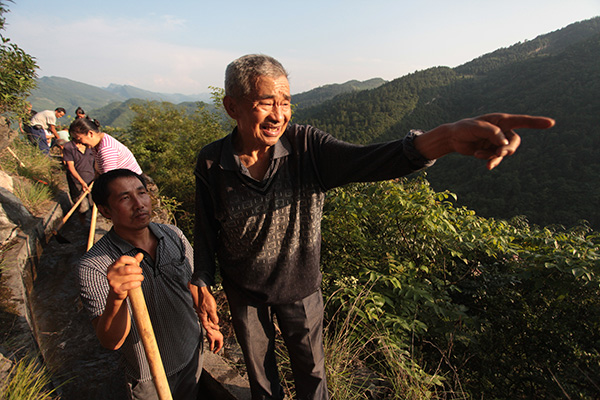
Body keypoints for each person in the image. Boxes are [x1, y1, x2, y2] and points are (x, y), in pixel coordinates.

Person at [192, 54, 556, 400]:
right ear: (232, 106)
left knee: (313, 376)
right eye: (266, 102)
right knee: (261, 380)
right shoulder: (211, 161)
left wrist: (441, 140)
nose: (279, 114)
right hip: (243, 292)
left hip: (300, 288)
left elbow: (369, 161)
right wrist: (203, 279)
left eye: (286, 102)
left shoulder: (306, 147)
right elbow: (206, 227)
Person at [78, 169, 223, 400]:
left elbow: (192, 282)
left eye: (142, 193)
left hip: (191, 353)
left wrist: (209, 325)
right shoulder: (95, 265)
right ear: (105, 211)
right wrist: (117, 296)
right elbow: (110, 341)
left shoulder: (173, 235)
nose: (139, 204)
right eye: (125, 198)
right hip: (148, 375)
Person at [69, 118, 143, 175]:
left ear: (90, 134)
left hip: (131, 184)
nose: (78, 143)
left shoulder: (107, 149)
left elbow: (109, 179)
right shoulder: (96, 144)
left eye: (79, 139)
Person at [62, 138, 95, 224]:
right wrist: (81, 182)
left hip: (92, 180)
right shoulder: (69, 147)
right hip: (77, 182)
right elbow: (71, 167)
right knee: (82, 206)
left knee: (93, 205)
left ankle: (92, 226)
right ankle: (83, 224)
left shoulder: (90, 145)